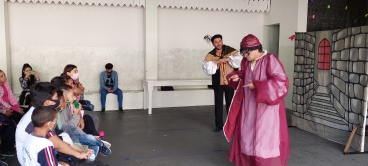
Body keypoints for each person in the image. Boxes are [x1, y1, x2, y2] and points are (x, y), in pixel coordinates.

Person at [224, 34, 290, 166]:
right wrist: (238, 77)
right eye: (243, 53)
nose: (245, 56)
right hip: (248, 107)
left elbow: (281, 83)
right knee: (247, 136)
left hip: (267, 110)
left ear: (257, 49)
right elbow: (245, 74)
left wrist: (258, 86)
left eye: (247, 53)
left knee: (265, 139)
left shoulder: (270, 60)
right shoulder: (246, 62)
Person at [15, 82, 92, 165]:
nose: (58, 100)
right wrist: (79, 154)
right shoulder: (36, 119)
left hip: (38, 153)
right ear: (48, 102)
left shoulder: (41, 113)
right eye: (56, 97)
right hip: (30, 160)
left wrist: (80, 150)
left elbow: (55, 138)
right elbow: (57, 144)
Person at [202, 34, 242, 132]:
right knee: (218, 105)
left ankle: (232, 124)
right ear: (213, 44)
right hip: (218, 83)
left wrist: (228, 58)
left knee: (230, 104)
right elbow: (206, 66)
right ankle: (219, 125)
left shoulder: (230, 51)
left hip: (230, 82)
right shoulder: (210, 55)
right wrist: (217, 61)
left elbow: (239, 58)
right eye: (216, 42)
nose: (218, 43)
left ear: (222, 41)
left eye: (219, 41)